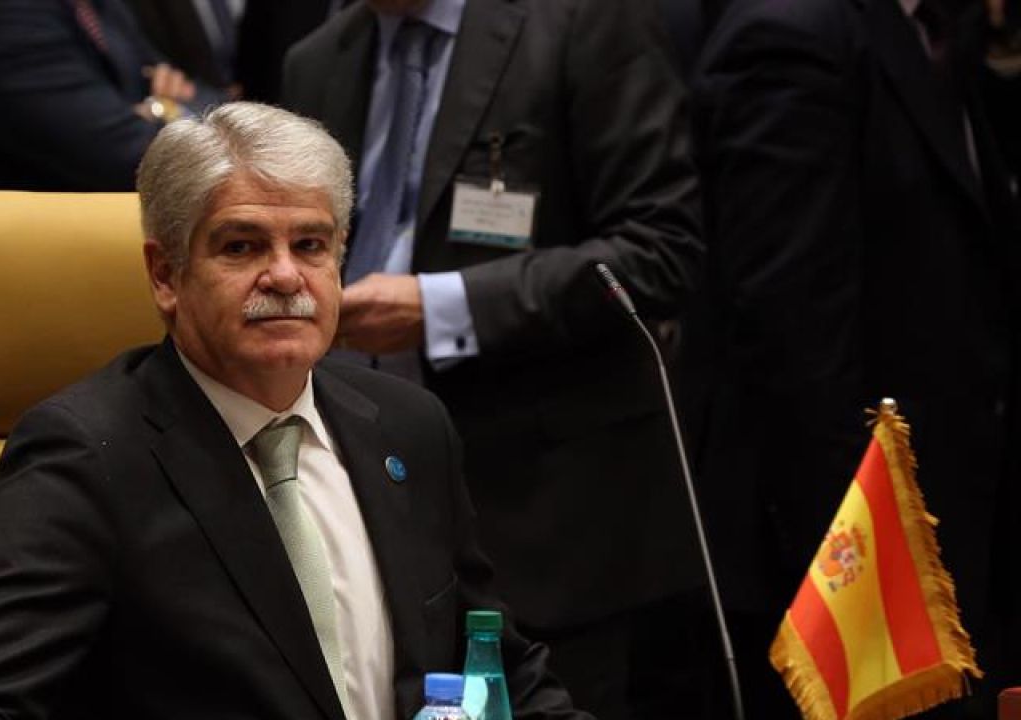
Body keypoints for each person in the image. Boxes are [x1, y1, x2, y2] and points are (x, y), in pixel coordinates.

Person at [0, 102, 591, 720]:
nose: (285, 275)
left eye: (310, 245)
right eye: (242, 246)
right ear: (166, 275)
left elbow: (496, 668)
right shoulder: (91, 455)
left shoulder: (409, 426)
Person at [282, 1, 718, 717]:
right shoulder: (318, 58)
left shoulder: (582, 24)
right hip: (366, 504)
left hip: (547, 514)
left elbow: (659, 250)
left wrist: (444, 308)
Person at [691, 0, 1021, 716]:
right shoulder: (792, 32)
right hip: (854, 572)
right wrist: (868, 583)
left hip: (948, 537)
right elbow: (791, 340)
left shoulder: (940, 30)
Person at [0, 0, 197, 191]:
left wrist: (161, 108)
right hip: (7, 265)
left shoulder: (86, 4)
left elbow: (194, 91)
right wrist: (165, 108)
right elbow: (129, 158)